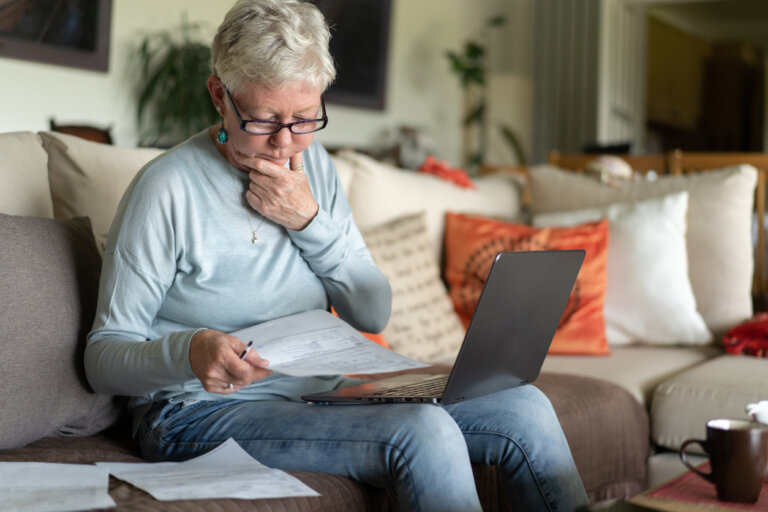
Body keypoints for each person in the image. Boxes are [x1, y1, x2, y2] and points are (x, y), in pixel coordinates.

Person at [85, 1, 589, 510]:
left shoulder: (315, 166)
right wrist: (189, 352)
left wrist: (309, 221)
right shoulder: (166, 189)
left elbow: (372, 311)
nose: (285, 142)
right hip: (193, 413)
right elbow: (103, 357)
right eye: (262, 119)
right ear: (220, 94)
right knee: (424, 432)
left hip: (317, 392)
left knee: (524, 406)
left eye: (304, 118)